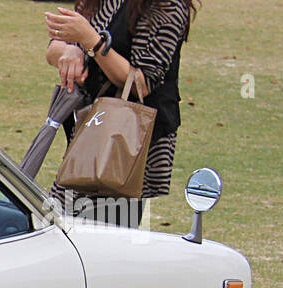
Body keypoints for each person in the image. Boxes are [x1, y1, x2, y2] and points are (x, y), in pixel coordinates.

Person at [43, 0, 198, 228]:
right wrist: (71, 50)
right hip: (90, 133)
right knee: (63, 221)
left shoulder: (166, 6)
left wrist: (91, 42)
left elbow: (141, 82)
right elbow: (53, 48)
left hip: (128, 142)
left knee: (105, 231)